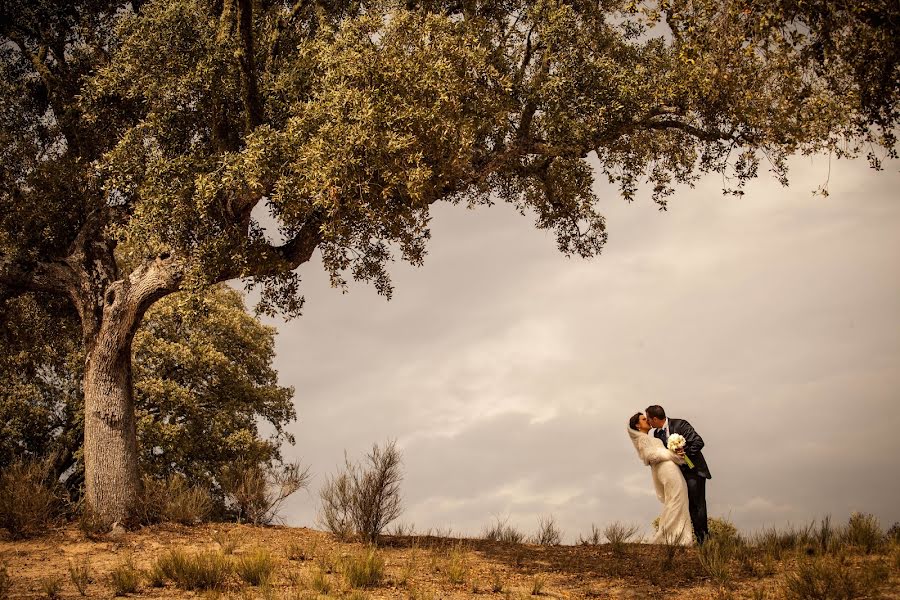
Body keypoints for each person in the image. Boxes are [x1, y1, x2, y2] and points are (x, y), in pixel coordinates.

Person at [645, 404, 711, 544]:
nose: (648, 422)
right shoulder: (657, 434)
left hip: (694, 471)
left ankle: (704, 540)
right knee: (684, 506)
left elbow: (699, 442)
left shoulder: (680, 424)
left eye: (648, 419)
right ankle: (688, 538)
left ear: (655, 419)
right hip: (679, 475)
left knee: (697, 504)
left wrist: (683, 451)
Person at [627, 412, 694, 546]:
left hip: (670, 467)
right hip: (665, 469)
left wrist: (679, 455)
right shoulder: (642, 439)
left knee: (677, 499)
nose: (647, 420)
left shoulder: (652, 438)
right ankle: (669, 536)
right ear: (637, 425)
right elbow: (650, 456)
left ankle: (677, 536)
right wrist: (672, 454)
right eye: (644, 419)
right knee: (676, 499)